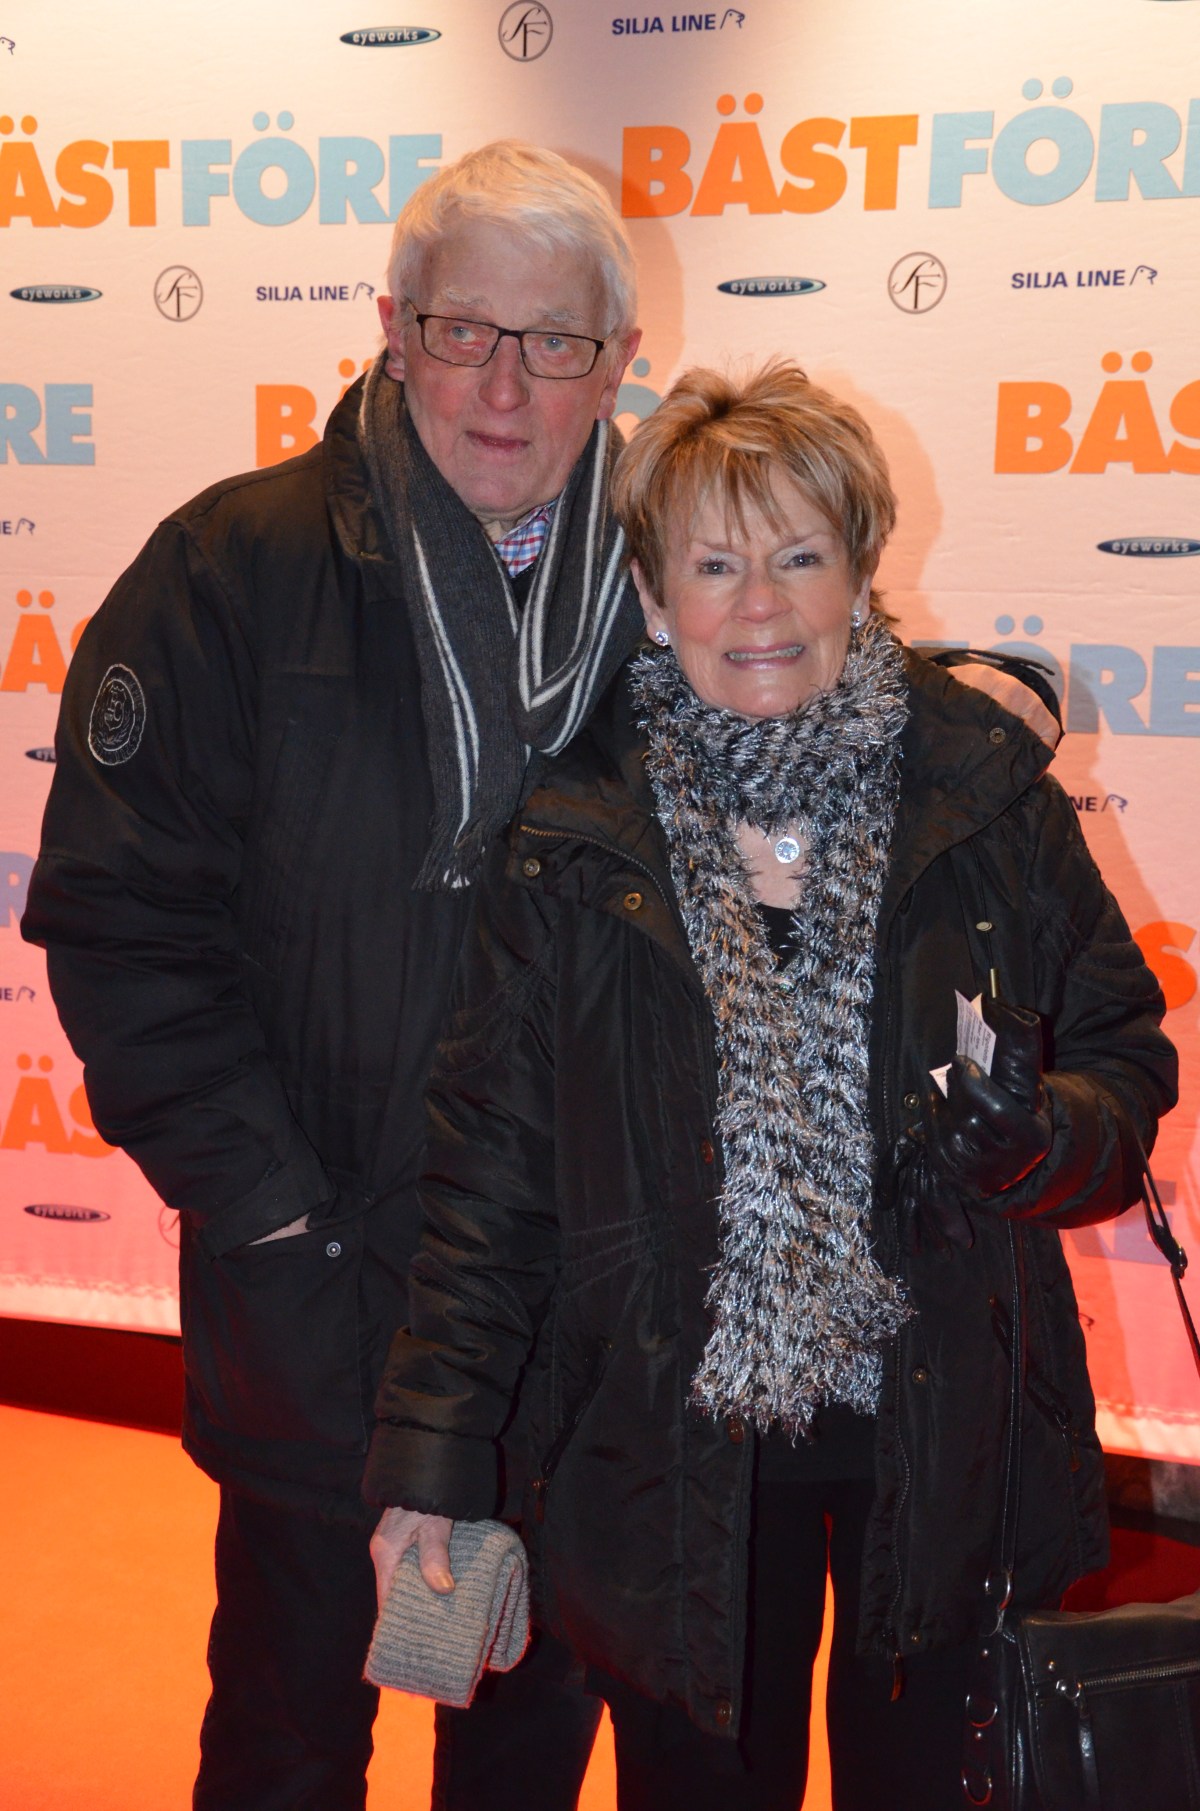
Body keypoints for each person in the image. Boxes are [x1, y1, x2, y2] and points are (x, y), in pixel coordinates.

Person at [364, 362, 1178, 1810]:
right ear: (651, 589)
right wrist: (432, 1454)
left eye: (799, 557)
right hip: (670, 1455)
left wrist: (1044, 1139)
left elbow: (1123, 1062)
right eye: (714, 564)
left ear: (861, 573)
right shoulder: (572, 833)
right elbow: (488, 1178)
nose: (759, 606)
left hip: (946, 1443)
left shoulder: (986, 795)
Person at [22, 140, 645, 1811]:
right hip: (317, 1294)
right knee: (289, 1741)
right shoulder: (230, 572)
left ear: (617, 361)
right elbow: (125, 931)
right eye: (463, 331)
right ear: (391, 327)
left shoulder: (677, 591)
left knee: (521, 1745)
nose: (504, 387)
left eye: (554, 341)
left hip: (570, 1319)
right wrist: (278, 1224)